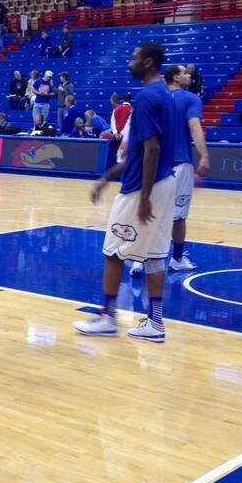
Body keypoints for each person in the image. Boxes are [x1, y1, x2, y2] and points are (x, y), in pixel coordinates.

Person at [73, 41, 175, 342]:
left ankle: (107, 317)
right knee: (154, 255)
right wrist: (107, 177)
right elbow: (144, 152)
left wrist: (143, 197)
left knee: (113, 252)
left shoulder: (146, 98)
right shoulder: (166, 95)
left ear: (148, 62)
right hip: (166, 181)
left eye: (134, 58)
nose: (129, 63)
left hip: (142, 186)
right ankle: (155, 323)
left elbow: (151, 150)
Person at [160, 65, 209, 270]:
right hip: (180, 163)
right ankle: (177, 259)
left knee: (151, 212)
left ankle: (138, 259)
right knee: (178, 216)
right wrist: (204, 155)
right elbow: (195, 126)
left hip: (156, 163)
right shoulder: (190, 98)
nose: (189, 75)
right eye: (184, 73)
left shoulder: (156, 98)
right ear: (175, 78)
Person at [110, 93, 132, 163]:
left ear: (123, 99)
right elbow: (128, 123)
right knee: (124, 155)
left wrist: (115, 133)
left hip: (116, 135)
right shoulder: (131, 110)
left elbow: (112, 121)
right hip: (125, 136)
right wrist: (122, 134)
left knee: (117, 154)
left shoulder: (116, 109)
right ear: (130, 100)